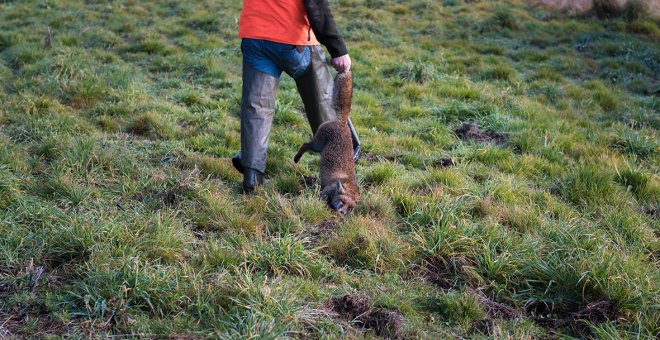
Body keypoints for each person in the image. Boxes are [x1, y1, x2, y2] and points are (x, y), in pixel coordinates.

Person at [232, 0, 361, 194]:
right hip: (294, 38)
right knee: (324, 104)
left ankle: (252, 179)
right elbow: (315, 4)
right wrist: (337, 48)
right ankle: (339, 186)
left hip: (255, 35)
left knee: (256, 108)